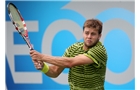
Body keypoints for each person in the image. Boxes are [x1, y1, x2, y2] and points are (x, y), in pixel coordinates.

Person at [30, 18, 108, 90]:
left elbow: (70, 62)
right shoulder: (73, 48)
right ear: (82, 33)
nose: (89, 36)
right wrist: (43, 67)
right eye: (86, 33)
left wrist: (41, 57)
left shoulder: (100, 50)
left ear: (99, 36)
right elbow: (55, 71)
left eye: (93, 34)